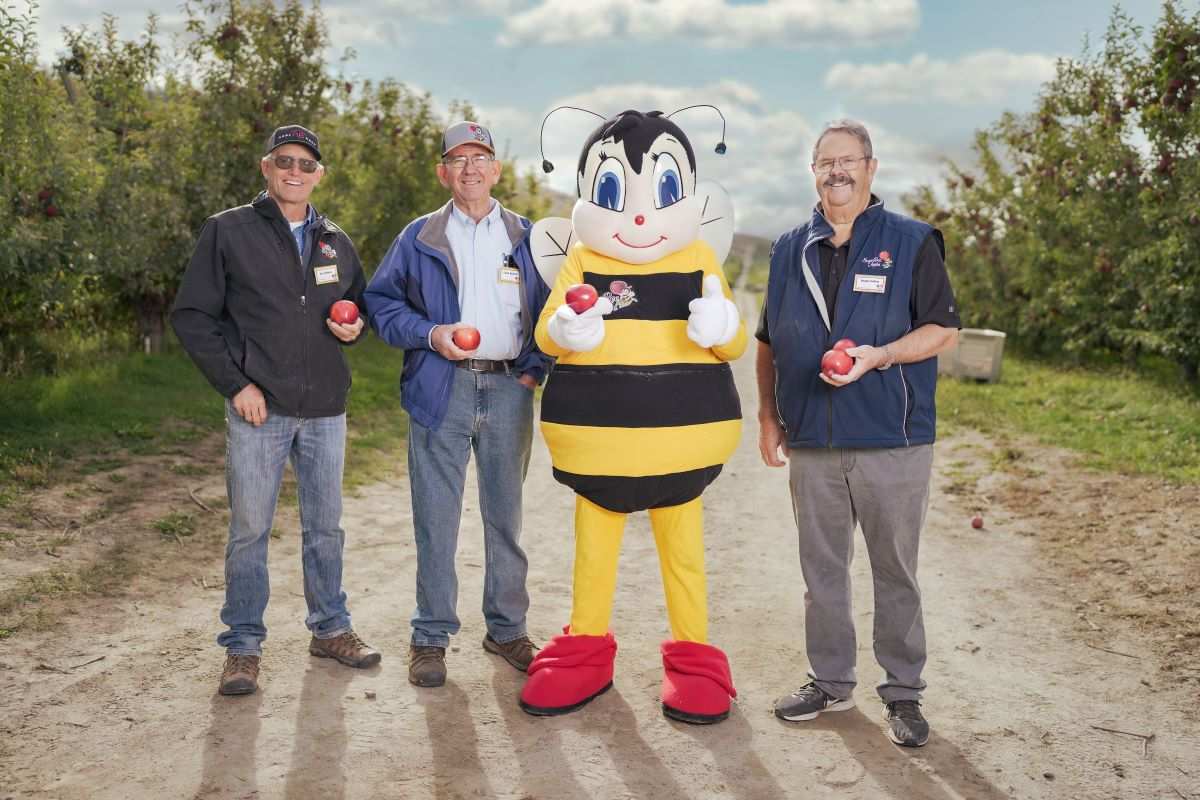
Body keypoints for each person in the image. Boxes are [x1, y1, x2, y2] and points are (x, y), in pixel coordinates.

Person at [756, 119, 961, 747]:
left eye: (848, 160)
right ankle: (831, 681)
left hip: (892, 440)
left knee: (894, 570)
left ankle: (903, 693)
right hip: (814, 438)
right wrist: (768, 416)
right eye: (825, 162)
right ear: (812, 171)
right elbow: (767, 339)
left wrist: (879, 356)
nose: (836, 171)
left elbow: (942, 331)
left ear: (871, 168)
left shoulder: (911, 240)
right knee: (822, 571)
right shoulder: (788, 247)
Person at [172, 124, 381, 697]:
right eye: (284, 161)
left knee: (325, 529)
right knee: (249, 530)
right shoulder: (227, 231)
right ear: (266, 167)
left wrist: (353, 327)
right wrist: (236, 384)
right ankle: (242, 646)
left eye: (306, 164)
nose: (295, 171)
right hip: (257, 410)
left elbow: (355, 309)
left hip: (324, 409)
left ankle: (330, 629)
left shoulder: (335, 240)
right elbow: (192, 316)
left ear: (320, 175)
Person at [364, 121, 550, 688]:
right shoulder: (419, 236)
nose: (470, 168)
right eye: (458, 159)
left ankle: (507, 629)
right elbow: (379, 302)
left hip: (508, 389)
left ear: (496, 171)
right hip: (439, 386)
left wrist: (533, 369)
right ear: (444, 172)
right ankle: (430, 636)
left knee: (505, 516)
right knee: (436, 518)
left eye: (481, 158)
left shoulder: (526, 236)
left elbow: (552, 312)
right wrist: (429, 333)